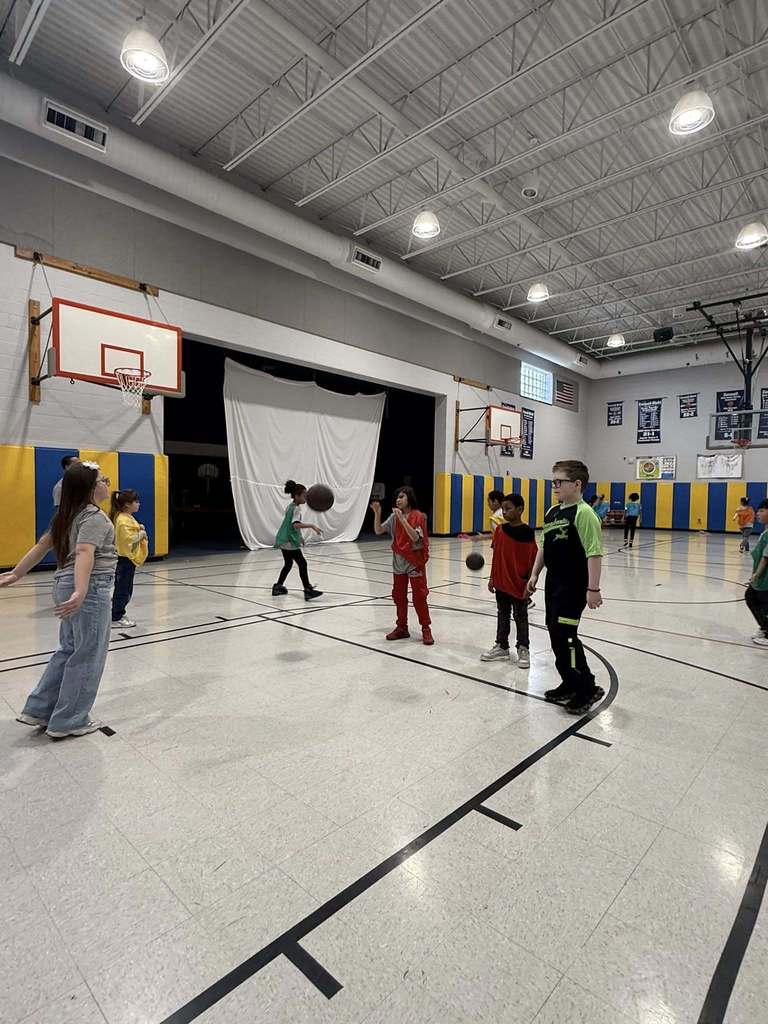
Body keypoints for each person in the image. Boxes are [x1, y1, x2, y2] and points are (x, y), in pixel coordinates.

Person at [0, 461, 115, 737]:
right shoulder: (94, 518)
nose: (107, 484)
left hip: (64, 583)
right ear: (90, 488)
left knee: (69, 648)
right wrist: (81, 589)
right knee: (88, 653)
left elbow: (42, 546)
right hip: (88, 587)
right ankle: (70, 720)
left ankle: (39, 709)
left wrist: (16, 573)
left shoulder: (66, 515)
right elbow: (85, 552)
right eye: (103, 479)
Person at [525, 459, 604, 714]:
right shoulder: (552, 512)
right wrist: (535, 575)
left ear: (577, 484)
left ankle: (586, 687)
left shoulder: (584, 514)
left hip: (574, 587)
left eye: (559, 482)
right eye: (553, 482)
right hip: (554, 585)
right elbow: (544, 546)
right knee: (555, 634)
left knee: (567, 637)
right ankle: (570, 682)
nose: (555, 486)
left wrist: (593, 589)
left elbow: (594, 553)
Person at [371, 486, 433, 645]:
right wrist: (377, 513)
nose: (398, 500)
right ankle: (402, 627)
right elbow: (378, 531)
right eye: (397, 498)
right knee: (399, 597)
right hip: (398, 563)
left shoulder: (419, 516)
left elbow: (415, 538)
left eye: (401, 497)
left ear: (409, 499)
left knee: (419, 597)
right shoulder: (393, 517)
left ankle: (426, 629)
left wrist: (403, 519)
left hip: (414, 562)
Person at [482, 493, 537, 669]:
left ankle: (523, 648)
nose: (504, 512)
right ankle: (502, 646)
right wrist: (492, 578)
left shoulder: (528, 533)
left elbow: (532, 559)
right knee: (502, 613)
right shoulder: (499, 530)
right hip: (501, 581)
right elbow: (496, 555)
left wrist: (529, 582)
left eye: (508, 508)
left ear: (520, 509)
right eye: (503, 509)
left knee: (520, 616)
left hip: (519, 583)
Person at [272, 480, 323, 601]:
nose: (306, 497)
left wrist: (299, 537)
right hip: (288, 540)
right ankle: (308, 590)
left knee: (288, 564)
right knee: (302, 563)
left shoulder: (290, 506)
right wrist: (312, 526)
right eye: (304, 495)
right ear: (297, 496)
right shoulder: (296, 509)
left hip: (283, 539)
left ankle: (278, 586)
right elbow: (295, 524)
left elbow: (291, 525)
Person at [110, 488, 148, 628]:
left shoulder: (126, 517)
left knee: (125, 588)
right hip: (124, 560)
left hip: (126, 561)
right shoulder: (122, 520)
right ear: (127, 504)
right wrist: (141, 534)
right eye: (136, 502)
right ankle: (116, 616)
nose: (139, 504)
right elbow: (128, 541)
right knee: (123, 589)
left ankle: (118, 612)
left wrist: (139, 528)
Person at [745, 500, 768, 645]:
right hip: (762, 578)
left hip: (765, 578)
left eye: (761, 510)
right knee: (752, 597)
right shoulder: (765, 532)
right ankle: (765, 627)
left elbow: (766, 558)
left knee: (756, 599)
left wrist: (756, 575)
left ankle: (766, 631)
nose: (757, 514)